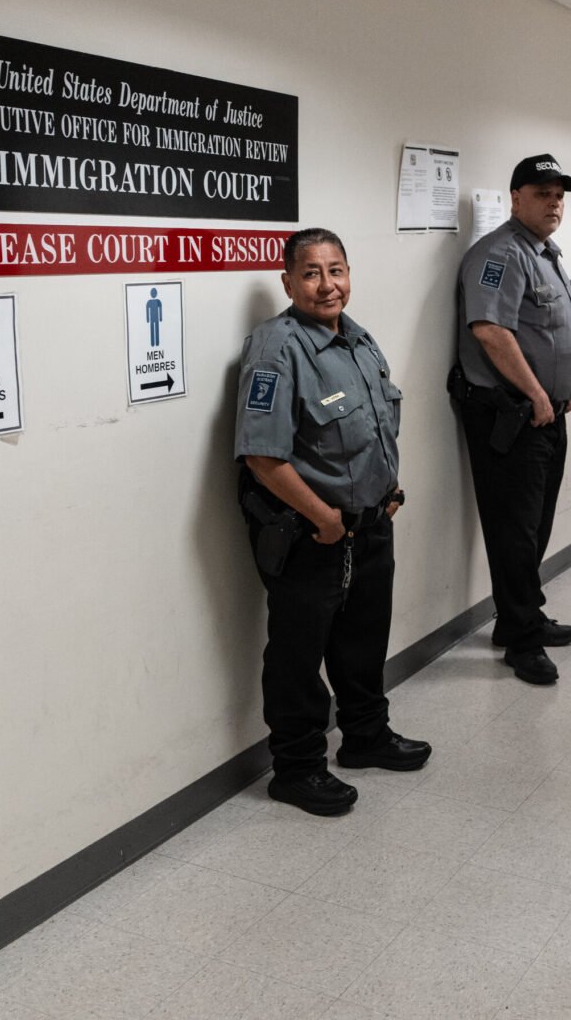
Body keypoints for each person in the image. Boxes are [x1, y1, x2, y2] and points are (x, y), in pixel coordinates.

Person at [234, 228, 430, 817]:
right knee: (297, 656)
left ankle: (365, 736)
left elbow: (374, 426)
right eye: (312, 273)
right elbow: (262, 456)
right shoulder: (276, 350)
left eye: (336, 270)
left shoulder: (359, 340)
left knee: (364, 640)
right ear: (288, 282)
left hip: (367, 526)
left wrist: (388, 492)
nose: (327, 285)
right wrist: (322, 518)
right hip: (308, 534)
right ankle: (296, 769)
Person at [452, 154, 571, 685]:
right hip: (511, 416)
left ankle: (521, 617)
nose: (554, 203)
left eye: (559, 195)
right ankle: (522, 641)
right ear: (515, 198)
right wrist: (538, 393)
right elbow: (490, 330)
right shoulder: (500, 254)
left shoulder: (543, 253)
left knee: (535, 526)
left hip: (545, 413)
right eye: (542, 194)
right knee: (515, 531)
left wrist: (562, 389)